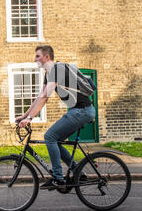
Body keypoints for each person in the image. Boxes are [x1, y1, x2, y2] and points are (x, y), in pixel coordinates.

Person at [16, 45, 95, 190]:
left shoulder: (57, 70)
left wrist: (30, 119)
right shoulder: (49, 73)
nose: (35, 59)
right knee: (56, 140)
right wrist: (25, 115)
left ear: (47, 57)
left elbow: (45, 97)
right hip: (79, 111)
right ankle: (78, 172)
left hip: (81, 111)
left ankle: (58, 178)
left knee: (50, 137)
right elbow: (40, 96)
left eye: (38, 56)